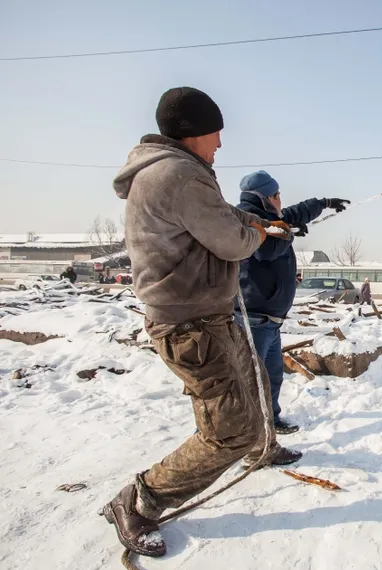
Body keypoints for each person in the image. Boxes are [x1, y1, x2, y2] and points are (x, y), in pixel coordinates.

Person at [101, 87, 302, 559]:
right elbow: (233, 240)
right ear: (194, 133)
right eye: (216, 134)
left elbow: (224, 217)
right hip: (190, 325)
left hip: (208, 316)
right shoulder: (180, 175)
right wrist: (257, 230)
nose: (219, 145)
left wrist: (256, 224)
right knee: (229, 429)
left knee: (252, 391)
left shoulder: (178, 172)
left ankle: (260, 447)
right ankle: (138, 500)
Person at [235, 170, 348, 435]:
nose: (280, 201)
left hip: (271, 322)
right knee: (252, 381)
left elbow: (295, 213)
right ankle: (246, 433)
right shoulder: (248, 222)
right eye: (277, 196)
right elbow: (268, 250)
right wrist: (290, 232)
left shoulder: (273, 218)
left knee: (273, 377)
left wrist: (324, 203)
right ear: (265, 198)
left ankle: (270, 420)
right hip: (253, 319)